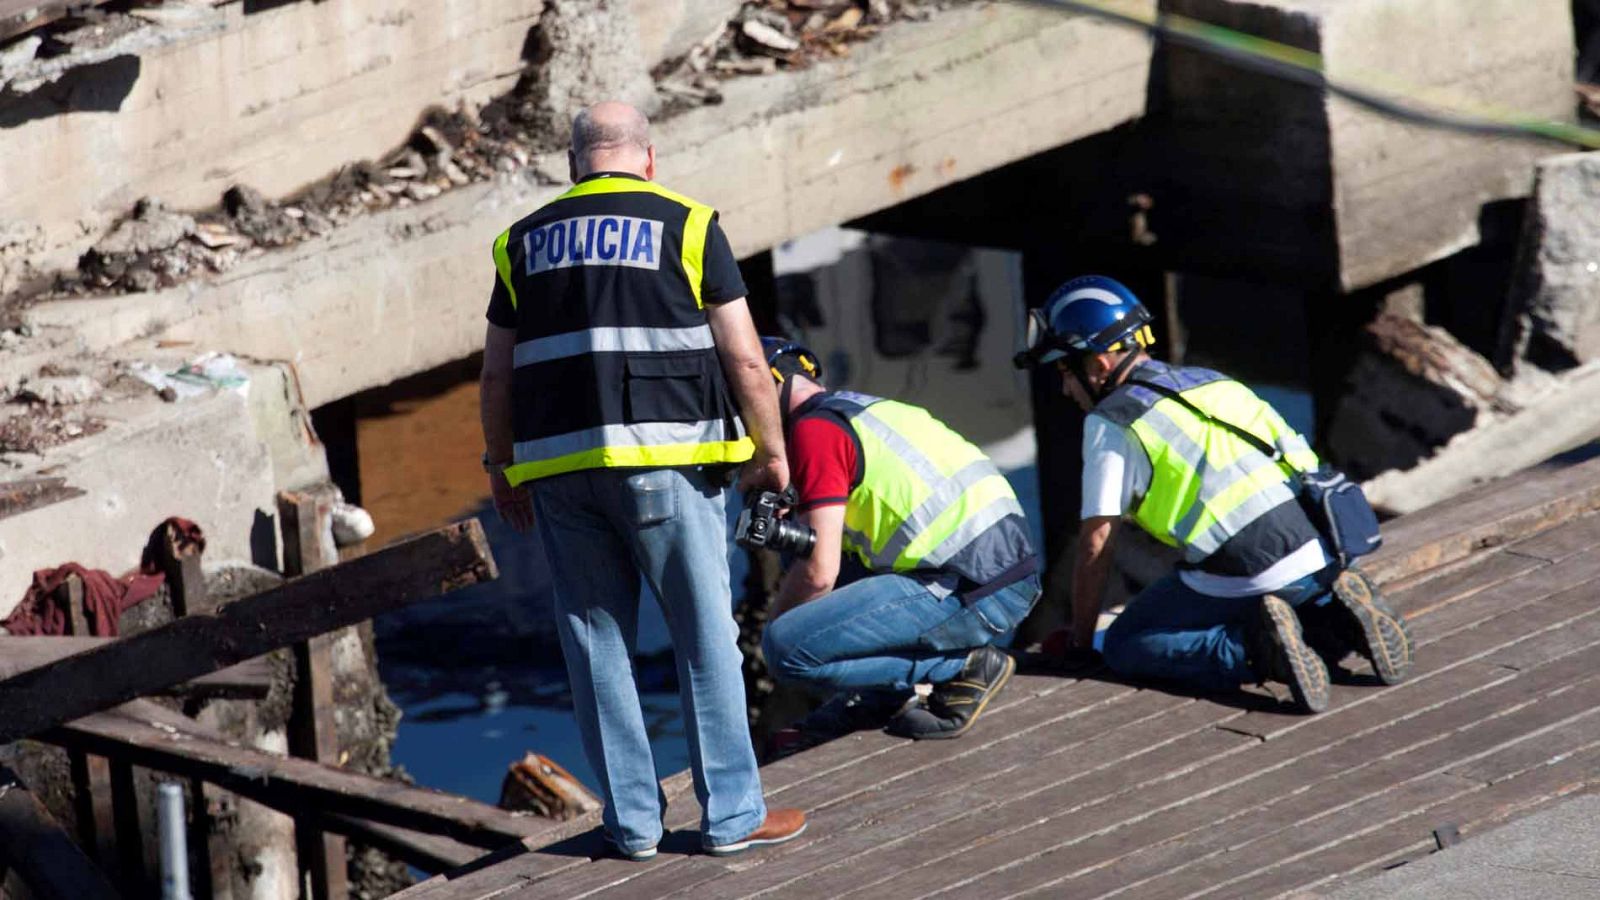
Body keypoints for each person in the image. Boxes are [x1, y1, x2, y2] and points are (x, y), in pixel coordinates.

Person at [478, 101, 805, 859]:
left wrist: (502, 468)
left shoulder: (518, 244)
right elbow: (747, 358)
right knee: (703, 640)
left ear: (572, 166)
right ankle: (731, 818)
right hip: (666, 464)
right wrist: (770, 448)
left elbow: (495, 375)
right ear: (648, 159)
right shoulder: (687, 225)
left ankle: (631, 827)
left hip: (559, 472)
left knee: (596, 647)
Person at [1015, 275, 1413, 713]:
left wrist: (1080, 642)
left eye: (1065, 371)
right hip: (1323, 546)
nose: (1065, 389)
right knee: (1274, 598)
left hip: (1249, 570)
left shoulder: (1113, 423)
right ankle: (1336, 619)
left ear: (1099, 364)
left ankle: (1258, 651)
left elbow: (1096, 542)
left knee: (1130, 643)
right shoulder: (1212, 382)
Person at [757, 339, 1041, 748]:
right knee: (807, 554)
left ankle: (961, 667)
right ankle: (882, 695)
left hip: (971, 590)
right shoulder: (863, 409)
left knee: (788, 649)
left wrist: (775, 627)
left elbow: (819, 573)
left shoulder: (813, 432)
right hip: (1001, 576)